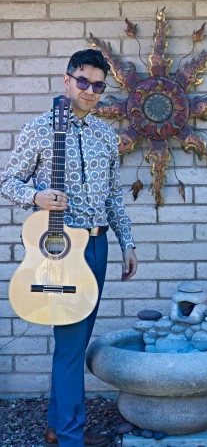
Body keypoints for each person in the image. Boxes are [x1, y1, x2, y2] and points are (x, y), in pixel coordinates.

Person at [0, 49, 138, 447]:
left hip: (96, 249)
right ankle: (71, 437)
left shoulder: (104, 135)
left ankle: (57, 428)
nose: (90, 91)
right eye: (83, 82)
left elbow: (113, 195)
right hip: (59, 252)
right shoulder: (40, 129)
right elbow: (8, 181)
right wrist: (37, 197)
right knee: (71, 345)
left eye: (98, 85)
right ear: (67, 79)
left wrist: (127, 242)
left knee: (73, 344)